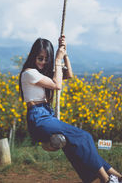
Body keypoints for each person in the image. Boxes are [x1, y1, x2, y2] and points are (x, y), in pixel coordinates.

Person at [19, 36, 122, 183]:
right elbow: (57, 85)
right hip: (38, 118)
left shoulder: (42, 74)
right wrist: (57, 60)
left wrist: (65, 54)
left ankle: (116, 176)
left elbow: (69, 75)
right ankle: (106, 179)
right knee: (84, 137)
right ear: (33, 56)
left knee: (74, 147)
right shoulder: (29, 73)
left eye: (46, 59)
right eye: (40, 58)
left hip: (46, 115)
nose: (43, 62)